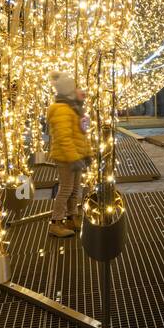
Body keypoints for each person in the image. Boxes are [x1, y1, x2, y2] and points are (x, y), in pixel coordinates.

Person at [46, 73, 91, 238]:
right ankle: (56, 223)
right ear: (68, 91)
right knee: (65, 189)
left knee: (74, 190)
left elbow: (80, 134)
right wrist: (74, 158)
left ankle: (72, 218)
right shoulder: (61, 110)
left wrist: (87, 154)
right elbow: (64, 138)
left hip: (75, 156)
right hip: (66, 158)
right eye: (75, 88)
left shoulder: (74, 109)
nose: (79, 90)